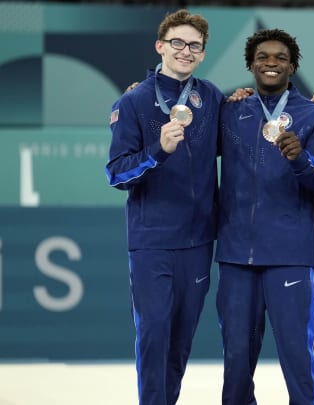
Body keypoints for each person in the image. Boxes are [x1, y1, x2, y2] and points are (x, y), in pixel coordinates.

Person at [104, 9, 224, 405]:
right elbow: (117, 173)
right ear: (160, 46)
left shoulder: (212, 97)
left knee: (180, 340)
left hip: (199, 241)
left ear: (203, 53)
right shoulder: (134, 101)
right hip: (153, 241)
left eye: (194, 46)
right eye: (178, 43)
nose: (185, 51)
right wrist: (158, 151)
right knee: (154, 334)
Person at [215, 28, 314, 405]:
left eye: (280, 58)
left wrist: (301, 159)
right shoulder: (232, 110)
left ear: (293, 65)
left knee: (298, 357)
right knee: (236, 358)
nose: (271, 63)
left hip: (290, 253)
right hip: (237, 254)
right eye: (263, 57)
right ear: (251, 63)